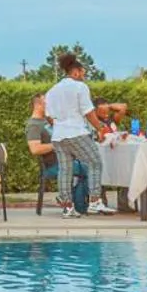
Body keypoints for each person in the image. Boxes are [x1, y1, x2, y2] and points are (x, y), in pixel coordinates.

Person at [45, 52, 121, 218]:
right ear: (76, 72)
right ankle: (95, 201)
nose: (84, 76)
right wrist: (101, 128)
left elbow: (49, 116)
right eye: (83, 73)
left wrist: (60, 125)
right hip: (75, 132)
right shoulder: (80, 87)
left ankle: (67, 207)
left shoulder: (52, 91)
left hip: (58, 135)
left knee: (65, 169)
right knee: (95, 162)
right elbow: (89, 112)